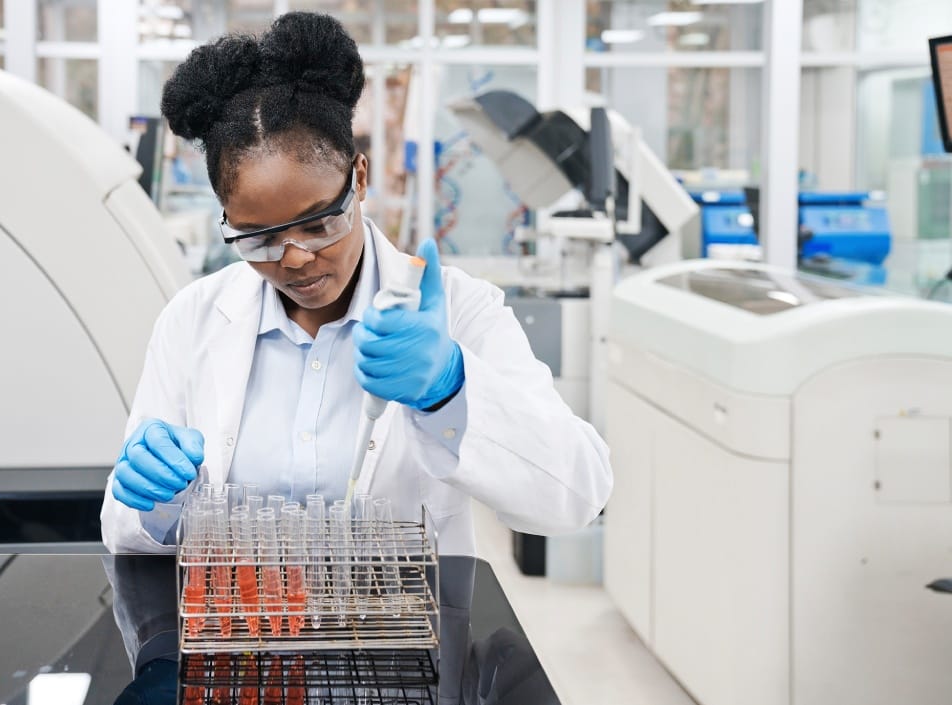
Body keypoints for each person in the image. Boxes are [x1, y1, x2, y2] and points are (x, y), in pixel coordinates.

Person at [100, 12, 612, 556]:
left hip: (405, 611)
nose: (295, 258)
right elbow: (125, 531)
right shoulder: (193, 319)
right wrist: (155, 503)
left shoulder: (461, 310)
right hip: (247, 611)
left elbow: (578, 494)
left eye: (318, 224)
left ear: (359, 178)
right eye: (258, 238)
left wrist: (450, 390)